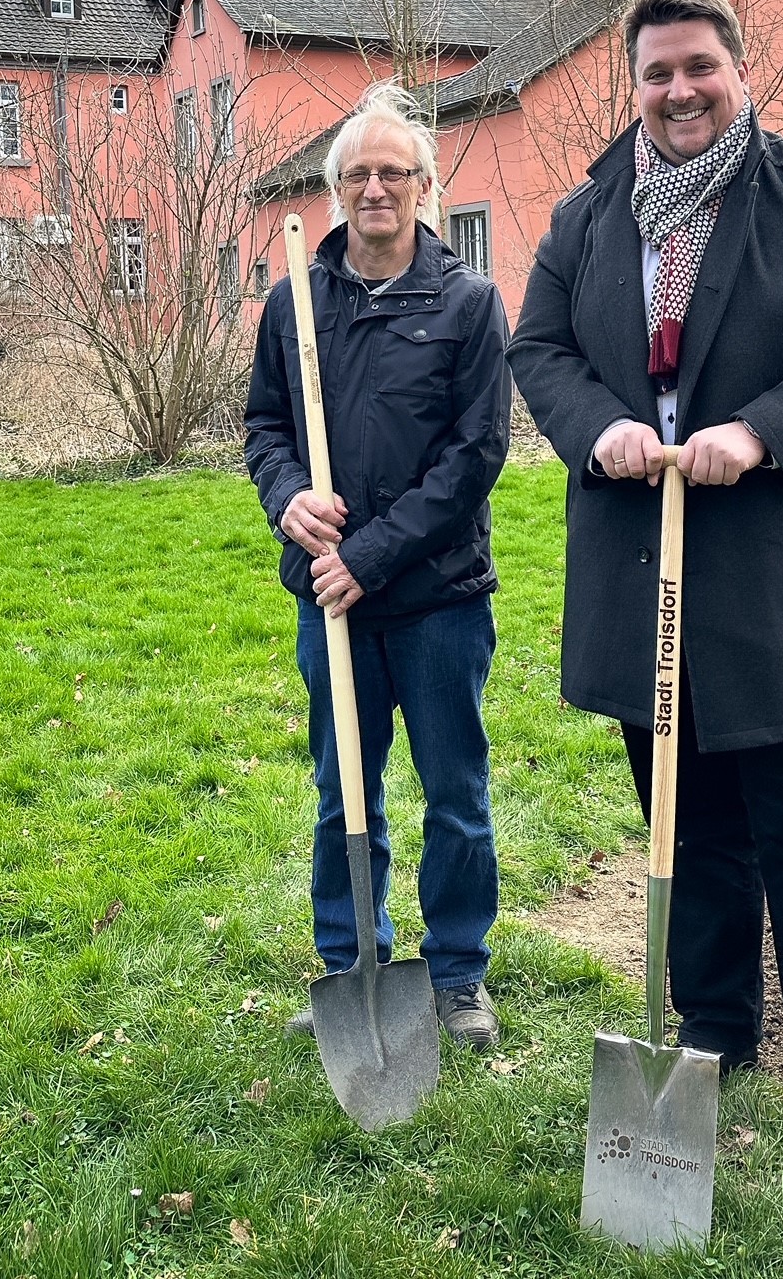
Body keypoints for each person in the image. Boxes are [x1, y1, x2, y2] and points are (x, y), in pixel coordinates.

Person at [508, 0, 783, 1226]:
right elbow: (540, 354)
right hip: (655, 579)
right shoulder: (587, 218)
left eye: (699, 68)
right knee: (685, 834)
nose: (679, 91)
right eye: (656, 74)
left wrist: (761, 429)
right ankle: (714, 1034)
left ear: (739, 72)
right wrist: (604, 432)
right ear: (630, 86)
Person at [244, 82, 511, 1051]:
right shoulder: (295, 304)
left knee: (456, 792)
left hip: (437, 600)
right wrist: (288, 501)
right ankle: (352, 963)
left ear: (425, 185)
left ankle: (454, 975)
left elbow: (476, 458)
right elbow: (266, 428)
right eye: (356, 174)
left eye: (392, 173)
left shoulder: (470, 305)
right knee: (344, 789)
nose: (374, 190)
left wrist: (370, 554)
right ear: (334, 190)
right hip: (331, 606)